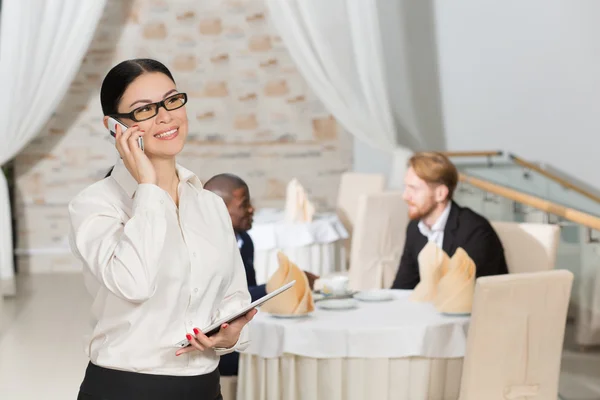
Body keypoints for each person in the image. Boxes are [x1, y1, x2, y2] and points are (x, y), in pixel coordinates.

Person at [68, 59, 255, 400]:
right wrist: (149, 189)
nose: (166, 116)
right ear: (114, 127)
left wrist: (231, 336)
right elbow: (134, 283)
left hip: (204, 386)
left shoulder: (209, 204)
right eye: (144, 110)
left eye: (171, 100)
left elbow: (234, 297)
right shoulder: (94, 205)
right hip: (125, 388)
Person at [203, 173, 318, 376]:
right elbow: (223, 304)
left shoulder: (245, 240)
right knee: (284, 355)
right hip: (218, 346)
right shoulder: (206, 250)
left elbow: (247, 298)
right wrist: (276, 287)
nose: (251, 209)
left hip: (245, 331)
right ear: (219, 210)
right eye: (244, 204)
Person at [391, 151, 508, 289]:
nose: (405, 196)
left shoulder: (475, 232)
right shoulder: (415, 228)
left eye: (414, 189)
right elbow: (402, 288)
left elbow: (466, 295)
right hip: (433, 308)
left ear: (440, 193)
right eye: (406, 187)